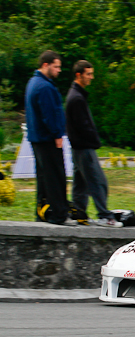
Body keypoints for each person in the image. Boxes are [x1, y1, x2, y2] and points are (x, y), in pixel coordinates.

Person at [65, 60, 123, 227]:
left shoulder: (75, 95)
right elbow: (83, 126)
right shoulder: (77, 98)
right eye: (88, 74)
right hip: (84, 147)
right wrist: (94, 141)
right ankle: (104, 216)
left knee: (80, 184)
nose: (92, 77)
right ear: (79, 75)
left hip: (78, 147)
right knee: (98, 182)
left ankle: (79, 214)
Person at [25, 50, 76, 226]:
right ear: (45, 65)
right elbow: (49, 114)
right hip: (47, 139)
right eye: (56, 66)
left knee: (43, 178)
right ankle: (59, 215)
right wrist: (57, 135)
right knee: (55, 177)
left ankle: (42, 213)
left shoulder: (33, 82)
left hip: (37, 138)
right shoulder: (45, 87)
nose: (59, 70)